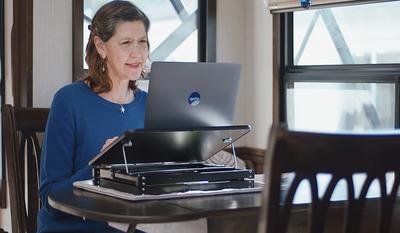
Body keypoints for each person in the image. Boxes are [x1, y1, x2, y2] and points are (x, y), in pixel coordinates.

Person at [38, 1, 150, 232]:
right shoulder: (68, 101)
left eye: (143, 42)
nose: (137, 52)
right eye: (126, 42)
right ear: (101, 47)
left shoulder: (150, 105)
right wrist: (101, 164)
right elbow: (50, 199)